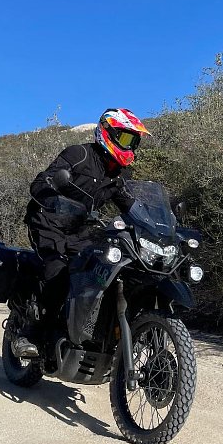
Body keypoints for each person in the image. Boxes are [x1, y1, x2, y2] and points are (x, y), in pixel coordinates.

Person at [13, 108, 151, 357]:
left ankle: (89, 330)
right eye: (126, 139)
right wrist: (52, 194)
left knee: (101, 268)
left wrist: (155, 221)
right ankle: (28, 334)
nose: (130, 147)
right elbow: (42, 181)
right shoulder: (78, 154)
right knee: (57, 270)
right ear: (107, 133)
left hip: (80, 231)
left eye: (135, 141)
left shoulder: (117, 177)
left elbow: (132, 207)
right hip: (47, 223)